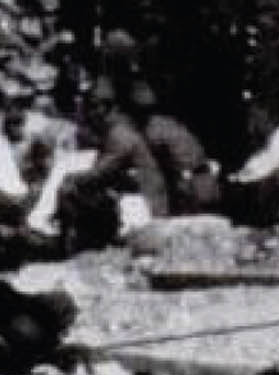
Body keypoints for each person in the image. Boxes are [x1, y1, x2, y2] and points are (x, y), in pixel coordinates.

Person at [55, 82, 169, 251]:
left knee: (71, 188)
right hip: (137, 200)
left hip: (146, 206)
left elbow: (99, 173)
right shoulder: (114, 133)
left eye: (93, 107)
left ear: (107, 108)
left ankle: (70, 247)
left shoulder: (120, 134)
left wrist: (70, 178)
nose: (89, 114)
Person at [128, 82, 220, 214]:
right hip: (205, 178)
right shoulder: (170, 123)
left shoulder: (153, 129)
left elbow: (158, 164)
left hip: (190, 185)